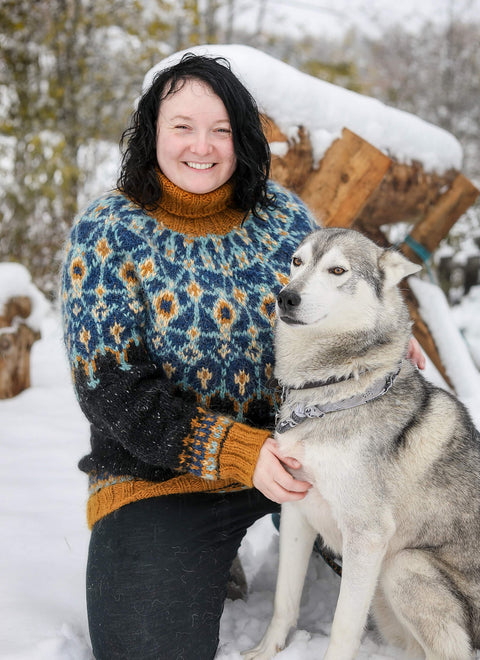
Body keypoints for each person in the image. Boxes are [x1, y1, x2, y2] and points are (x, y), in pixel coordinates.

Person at [61, 52, 425, 660]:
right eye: (181, 126)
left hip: (302, 457)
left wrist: (378, 347)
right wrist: (233, 450)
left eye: (221, 129)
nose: (201, 145)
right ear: (152, 131)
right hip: (163, 479)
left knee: (412, 566)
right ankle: (207, 556)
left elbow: (333, 304)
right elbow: (111, 391)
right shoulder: (108, 231)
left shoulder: (282, 216)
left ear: (243, 136)